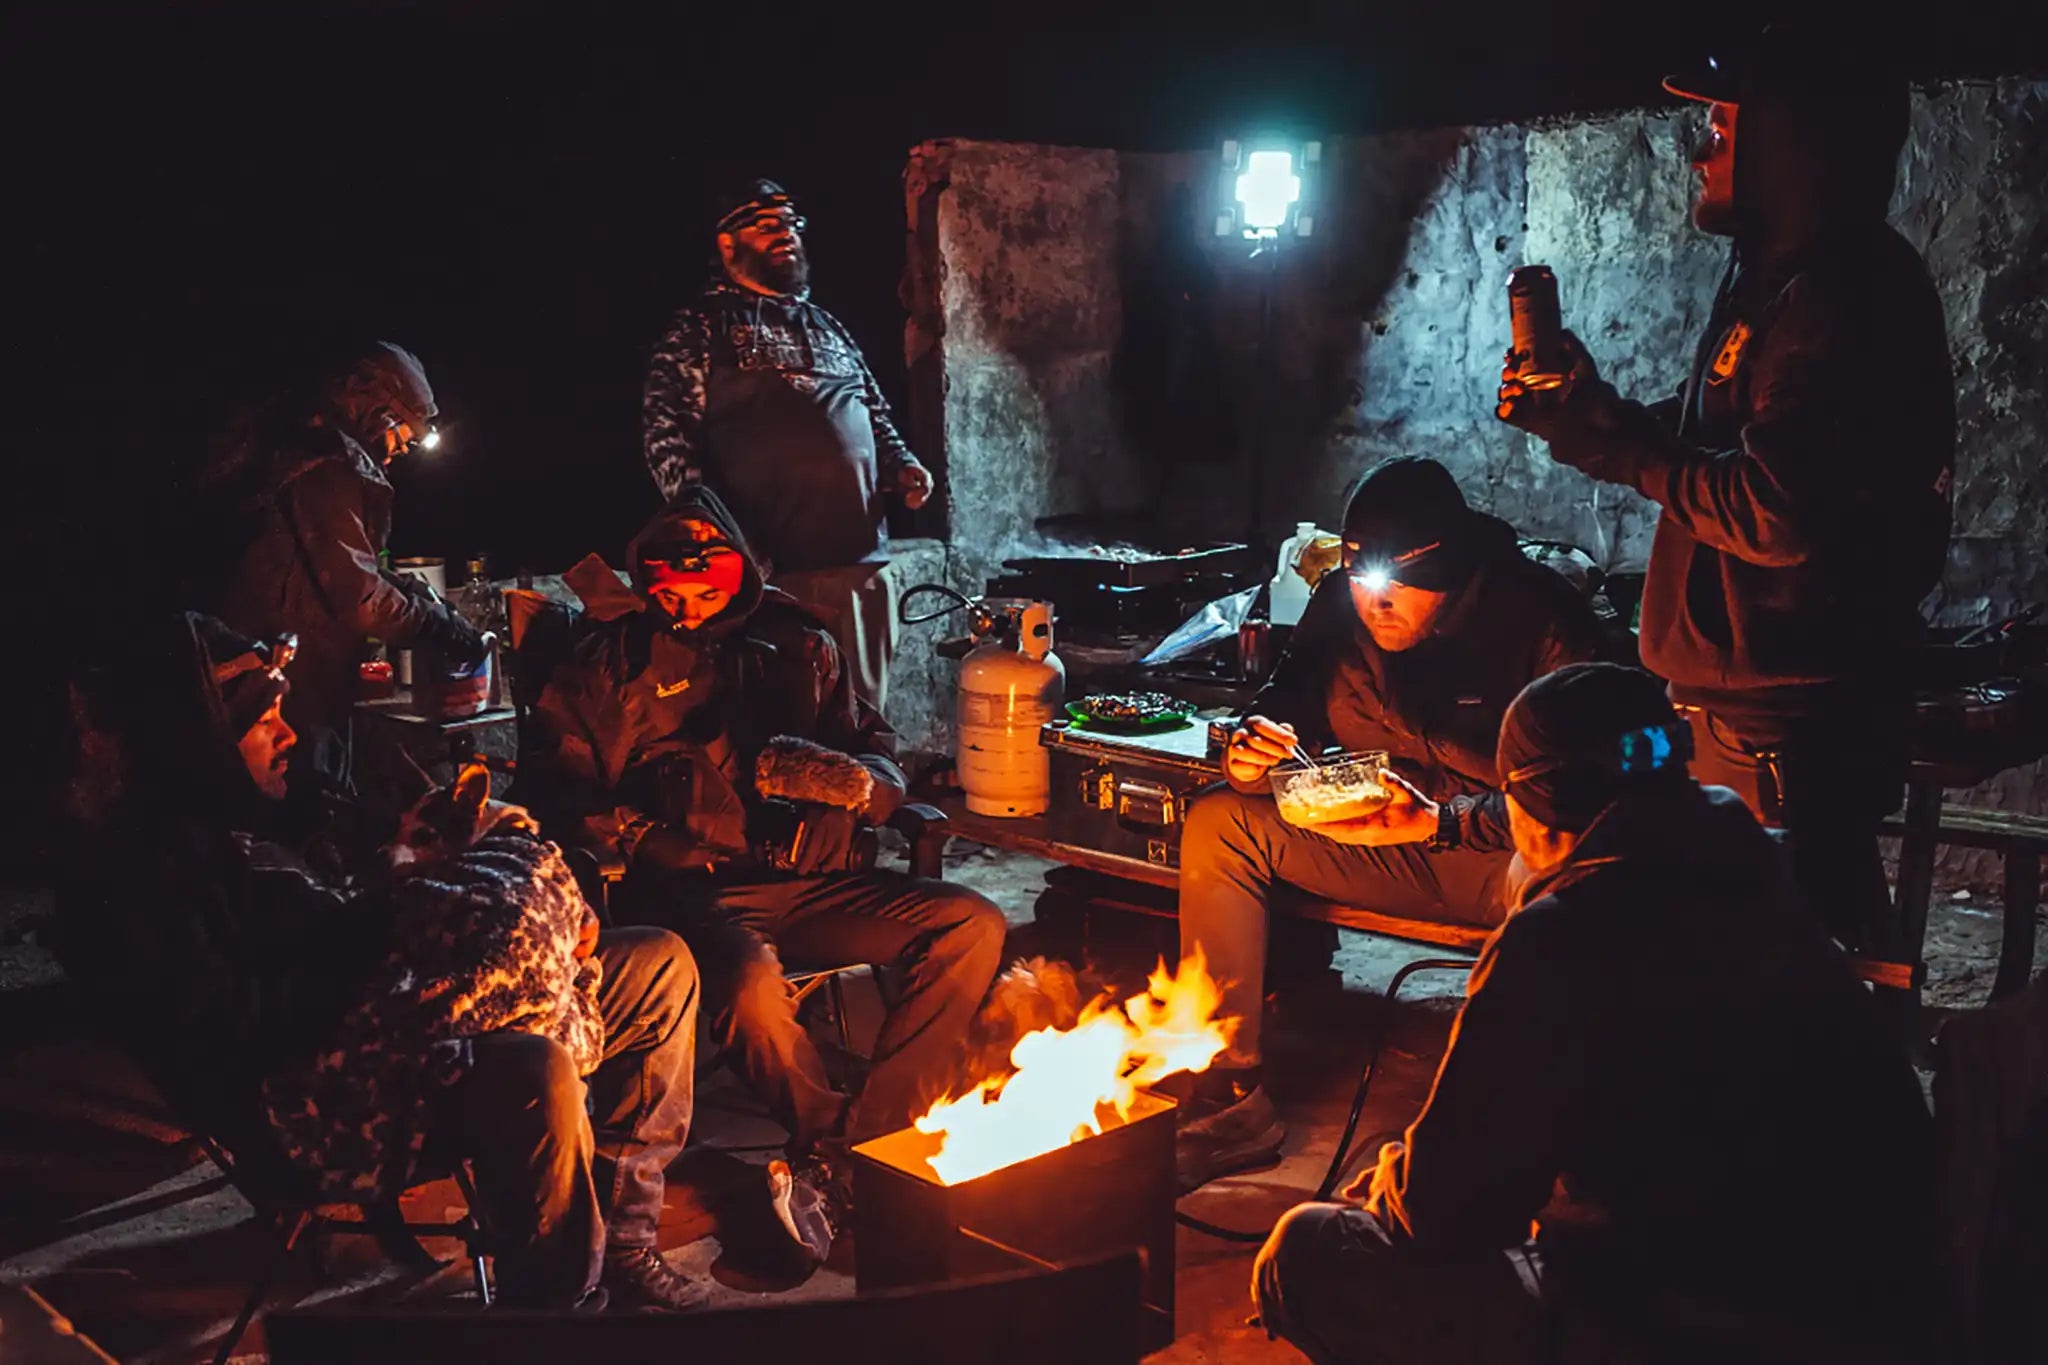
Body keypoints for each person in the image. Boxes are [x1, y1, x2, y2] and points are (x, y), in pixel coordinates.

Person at [1251, 662, 1939, 1364]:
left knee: (1307, 1250)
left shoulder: (1564, 934)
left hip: (1717, 1320)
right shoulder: (1747, 864)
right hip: (1887, 1296)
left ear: (1526, 805)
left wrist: (1392, 1183)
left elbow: (1449, 1212)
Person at [54, 613, 708, 1312]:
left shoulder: (278, 808)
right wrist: (401, 917)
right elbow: (251, 1028)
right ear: (199, 742)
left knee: (657, 965)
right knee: (533, 1067)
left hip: (414, 1008)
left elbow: (397, 874)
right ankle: (555, 1313)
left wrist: (524, 897)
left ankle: (625, 1240)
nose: (290, 735)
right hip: (329, 1100)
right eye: (265, 722)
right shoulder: (150, 881)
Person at [1496, 23, 1953, 968]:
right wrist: (1597, 416)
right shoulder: (1772, 283)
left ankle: (1872, 1110)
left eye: (1719, 126)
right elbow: (1713, 442)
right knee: (1726, 973)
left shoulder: (1847, 296)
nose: (1696, 148)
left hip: (1789, 732)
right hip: (1736, 715)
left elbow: (1778, 508)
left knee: (1784, 984)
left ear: (1794, 143)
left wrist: (1617, 456)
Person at [527, 487, 1005, 1254]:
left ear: (741, 570)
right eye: (668, 585)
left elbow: (872, 739)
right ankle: (834, 1140)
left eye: (705, 580)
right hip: (696, 896)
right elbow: (556, 793)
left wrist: (859, 788)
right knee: (750, 983)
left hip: (815, 883)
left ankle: (862, 1144)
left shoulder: (797, 641)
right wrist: (644, 835)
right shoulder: (603, 666)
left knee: (970, 925)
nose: (685, 600)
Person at [1175, 456, 1608, 1191]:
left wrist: (1444, 821)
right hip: (1383, 838)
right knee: (1222, 824)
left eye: (1393, 588)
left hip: (1501, 857)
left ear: (1449, 571)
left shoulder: (1543, 622)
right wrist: (1255, 742)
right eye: (1359, 582)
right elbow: (1287, 695)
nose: (1373, 606)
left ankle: (1549, 1132)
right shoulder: (1345, 602)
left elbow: (1594, 792)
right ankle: (1232, 1096)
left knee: (1566, 886)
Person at [642, 178, 935, 719]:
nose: (786, 234)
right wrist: (721, 545)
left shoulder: (830, 328)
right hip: (771, 579)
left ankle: (864, 805)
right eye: (766, 224)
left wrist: (904, 467)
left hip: (859, 567)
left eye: (791, 223)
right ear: (728, 244)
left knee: (863, 718)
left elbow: (875, 417)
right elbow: (667, 439)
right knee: (784, 723)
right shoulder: (701, 329)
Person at [197, 341, 488, 789]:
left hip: (292, 665)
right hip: (289, 676)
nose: (403, 450)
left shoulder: (306, 447)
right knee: (305, 798)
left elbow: (346, 561)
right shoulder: (324, 464)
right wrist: (437, 627)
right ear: (379, 411)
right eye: (404, 435)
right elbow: (358, 595)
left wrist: (409, 591)